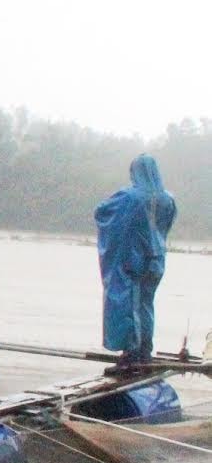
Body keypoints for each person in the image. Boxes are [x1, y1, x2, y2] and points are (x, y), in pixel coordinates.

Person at [95, 154, 177, 370]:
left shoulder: (130, 197)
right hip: (157, 260)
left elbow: (102, 212)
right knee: (146, 305)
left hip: (134, 260)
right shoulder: (168, 199)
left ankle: (132, 355)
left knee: (130, 305)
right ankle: (145, 351)